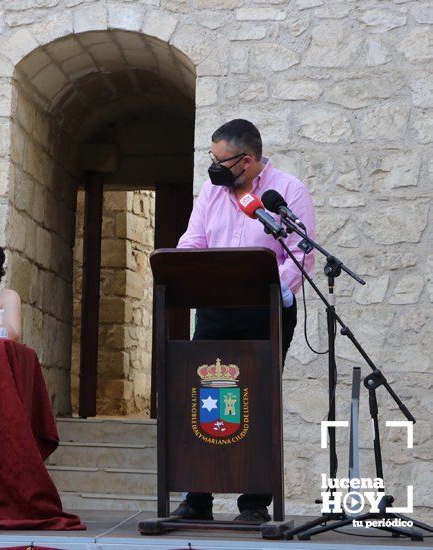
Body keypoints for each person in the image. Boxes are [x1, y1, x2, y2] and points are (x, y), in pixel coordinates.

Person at [174, 119, 316, 523]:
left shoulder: (287, 191)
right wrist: (184, 270)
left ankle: (254, 503)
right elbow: (194, 240)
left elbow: (301, 251)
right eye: (211, 158)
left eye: (221, 160)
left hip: (266, 308)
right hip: (215, 307)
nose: (214, 167)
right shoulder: (211, 191)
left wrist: (277, 290)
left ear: (248, 160)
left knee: (258, 400)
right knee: (201, 397)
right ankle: (196, 497)